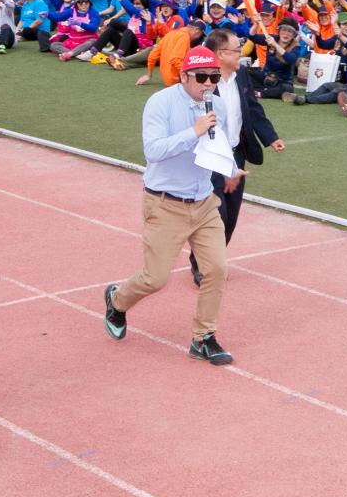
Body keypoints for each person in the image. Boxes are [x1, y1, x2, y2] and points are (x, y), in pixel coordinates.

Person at [103, 45, 246, 366]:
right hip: (165, 203)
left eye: (213, 77)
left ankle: (203, 337)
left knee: (217, 270)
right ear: (184, 76)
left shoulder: (217, 108)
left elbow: (217, 145)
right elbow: (153, 150)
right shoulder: (160, 103)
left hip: (204, 202)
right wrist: (191, 132)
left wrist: (230, 169)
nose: (209, 84)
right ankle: (117, 299)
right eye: (202, 77)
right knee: (155, 279)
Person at [185, 29, 285, 286]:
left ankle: (209, 259)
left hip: (236, 154)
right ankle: (204, 265)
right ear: (220, 54)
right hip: (211, 156)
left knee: (233, 214)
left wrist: (270, 137)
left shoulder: (241, 78)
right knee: (217, 214)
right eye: (236, 51)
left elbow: (252, 107)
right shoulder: (203, 82)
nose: (241, 55)